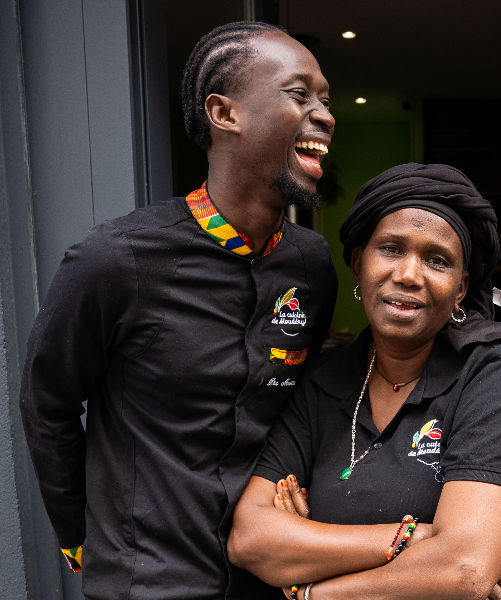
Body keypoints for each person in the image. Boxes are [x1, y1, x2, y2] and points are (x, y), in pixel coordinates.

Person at [19, 22, 337, 599]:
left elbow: (300, 411)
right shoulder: (115, 259)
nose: (324, 114)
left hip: (268, 579)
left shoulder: (311, 266)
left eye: (325, 98)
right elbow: (48, 404)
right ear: (224, 112)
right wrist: (79, 537)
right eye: (299, 94)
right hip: (147, 581)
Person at [228, 163, 501, 600]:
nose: (409, 274)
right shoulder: (324, 383)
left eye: (437, 260)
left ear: (461, 289)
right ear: (358, 263)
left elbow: (463, 570)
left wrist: (313, 589)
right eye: (391, 249)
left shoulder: (495, 376)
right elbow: (250, 538)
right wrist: (410, 539)